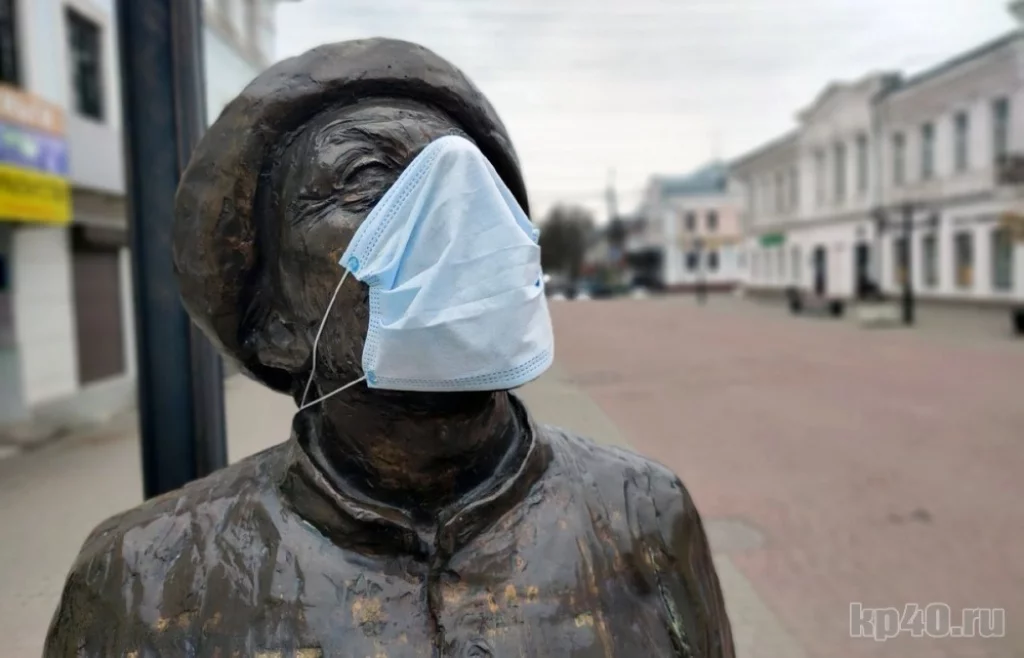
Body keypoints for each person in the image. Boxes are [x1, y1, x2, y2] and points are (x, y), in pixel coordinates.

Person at [44, 39, 733, 657]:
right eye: (365, 177)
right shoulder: (143, 579)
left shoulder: (643, 515)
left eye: (475, 181)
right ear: (276, 326)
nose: (454, 211)